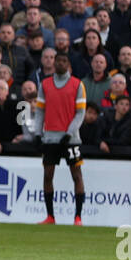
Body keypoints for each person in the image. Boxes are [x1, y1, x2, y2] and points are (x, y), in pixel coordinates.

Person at [33, 52, 87, 225]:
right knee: (47, 176)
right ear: (54, 63)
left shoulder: (77, 84)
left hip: (70, 139)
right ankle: (50, 216)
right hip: (50, 138)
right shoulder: (45, 84)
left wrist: (69, 133)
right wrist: (37, 133)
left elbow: (80, 113)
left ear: (69, 64)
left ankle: (78, 217)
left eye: (64, 61)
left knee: (76, 175)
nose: (60, 64)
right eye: (58, 61)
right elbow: (40, 110)